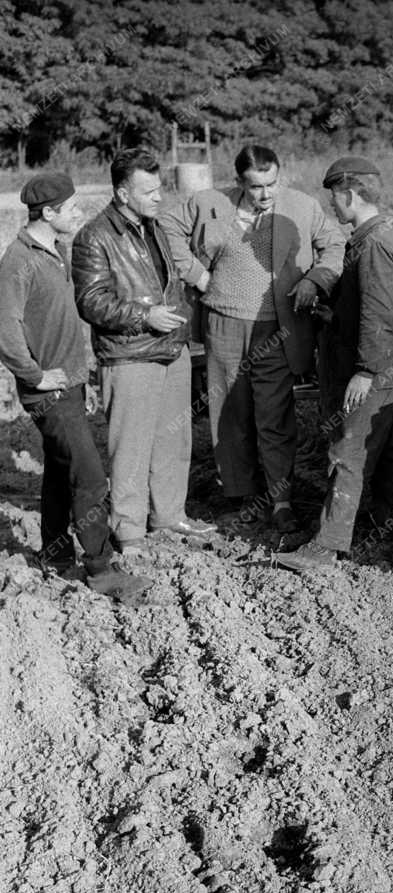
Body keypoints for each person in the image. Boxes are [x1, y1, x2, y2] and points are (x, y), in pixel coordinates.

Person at [160, 145, 345, 533]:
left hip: (278, 328)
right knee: (230, 413)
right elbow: (166, 228)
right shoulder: (209, 203)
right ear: (239, 182)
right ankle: (242, 496)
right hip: (224, 324)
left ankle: (280, 501)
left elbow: (335, 247)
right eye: (256, 186)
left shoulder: (302, 207)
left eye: (272, 183)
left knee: (274, 416)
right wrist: (196, 274)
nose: (265, 194)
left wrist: (315, 279)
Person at [0, 172, 151, 601]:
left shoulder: (56, 250)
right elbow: (4, 330)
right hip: (49, 390)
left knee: (60, 471)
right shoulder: (18, 261)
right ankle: (101, 570)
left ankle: (55, 553)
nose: (79, 214)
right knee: (89, 475)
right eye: (71, 209)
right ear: (48, 213)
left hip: (70, 383)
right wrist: (34, 376)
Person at [275, 156, 393, 572]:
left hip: (376, 372)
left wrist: (365, 371)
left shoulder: (372, 245)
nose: (332, 207)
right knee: (391, 454)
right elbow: (368, 308)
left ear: (349, 195)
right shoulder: (378, 239)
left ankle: (326, 546)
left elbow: (377, 315)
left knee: (346, 454)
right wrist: (332, 316)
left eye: (334, 198)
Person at [72, 148, 215, 552]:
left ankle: (168, 516)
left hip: (171, 349)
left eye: (159, 189)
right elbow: (91, 301)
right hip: (130, 353)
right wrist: (144, 316)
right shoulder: (94, 237)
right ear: (121, 193)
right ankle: (129, 530)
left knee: (173, 441)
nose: (158, 197)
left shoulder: (154, 227)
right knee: (130, 448)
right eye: (148, 190)